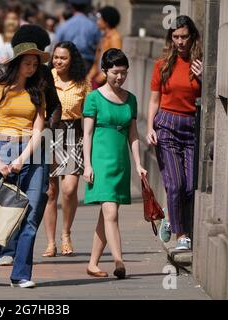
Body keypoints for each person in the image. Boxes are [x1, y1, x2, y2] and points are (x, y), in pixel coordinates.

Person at [0, 41, 49, 288]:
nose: (31, 67)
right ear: (17, 63)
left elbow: (39, 129)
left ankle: (21, 274)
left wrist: (22, 158)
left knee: (30, 214)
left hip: (33, 152)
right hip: (2, 148)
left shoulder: (38, 91)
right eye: (27, 63)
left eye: (35, 64)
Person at [0, 24, 62, 266]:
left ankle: (23, 252)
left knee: (36, 199)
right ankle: (7, 249)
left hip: (37, 144)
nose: (34, 66)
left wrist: (47, 129)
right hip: (5, 144)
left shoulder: (44, 75)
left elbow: (55, 106)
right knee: (7, 197)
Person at [82, 48, 147, 279]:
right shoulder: (94, 98)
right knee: (110, 213)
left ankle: (92, 263)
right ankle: (119, 261)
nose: (120, 77)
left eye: (124, 73)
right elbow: (87, 134)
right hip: (100, 160)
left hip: (121, 162)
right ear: (105, 71)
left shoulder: (131, 100)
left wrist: (138, 164)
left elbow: (133, 135)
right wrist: (87, 165)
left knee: (107, 214)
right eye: (115, 72)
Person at [146, 15, 202, 250]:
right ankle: (182, 236)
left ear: (192, 37)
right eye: (176, 37)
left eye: (184, 37)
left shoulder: (199, 64)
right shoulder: (163, 64)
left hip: (190, 126)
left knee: (189, 186)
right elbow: (154, 99)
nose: (180, 41)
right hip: (166, 124)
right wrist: (149, 127)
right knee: (176, 183)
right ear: (171, 38)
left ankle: (170, 213)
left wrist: (204, 78)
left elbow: (204, 97)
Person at [42, 41, 89, 257]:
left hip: (73, 134)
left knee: (69, 189)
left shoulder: (82, 83)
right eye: (56, 57)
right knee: (51, 192)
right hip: (49, 133)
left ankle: (66, 234)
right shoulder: (45, 77)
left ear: (72, 60)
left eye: (64, 58)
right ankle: (51, 242)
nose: (58, 61)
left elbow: (89, 114)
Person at [55, 0, 101, 76]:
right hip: (88, 64)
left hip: (68, 63)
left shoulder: (64, 26)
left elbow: (57, 45)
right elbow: (99, 47)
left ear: (72, 7)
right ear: (86, 7)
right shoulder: (93, 26)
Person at [88, 6, 122, 89]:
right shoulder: (103, 37)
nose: (97, 22)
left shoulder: (115, 37)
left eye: (100, 19)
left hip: (108, 83)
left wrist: (102, 77)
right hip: (98, 80)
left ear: (106, 21)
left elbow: (115, 62)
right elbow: (96, 63)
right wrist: (89, 77)